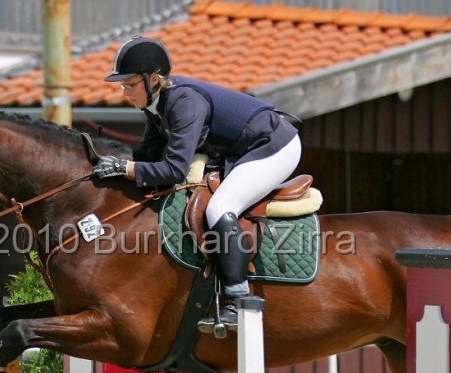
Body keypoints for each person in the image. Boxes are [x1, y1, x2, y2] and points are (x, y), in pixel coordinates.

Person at [94, 35, 301, 332]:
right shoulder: (155, 105)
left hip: (275, 146)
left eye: (129, 84)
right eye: (122, 85)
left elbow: (174, 169)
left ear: (153, 79)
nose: (124, 92)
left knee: (220, 207)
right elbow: (146, 155)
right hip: (241, 149)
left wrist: (126, 168)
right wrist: (113, 164)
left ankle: (236, 298)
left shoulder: (183, 102)